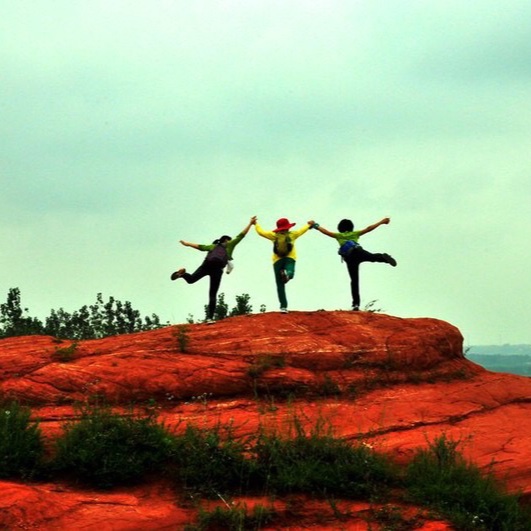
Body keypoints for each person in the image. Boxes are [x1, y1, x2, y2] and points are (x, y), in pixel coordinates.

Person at [170, 216, 257, 323]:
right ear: (226, 240)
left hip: (206, 265)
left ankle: (182, 274)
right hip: (217, 270)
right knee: (212, 294)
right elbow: (241, 235)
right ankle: (210, 318)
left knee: (191, 279)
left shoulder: (213, 246)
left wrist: (187, 244)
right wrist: (250, 224)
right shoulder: (230, 244)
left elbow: (200, 247)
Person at [311, 217, 397, 311]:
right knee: (372, 257)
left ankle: (356, 304)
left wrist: (315, 225)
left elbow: (325, 231)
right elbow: (368, 229)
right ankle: (383, 257)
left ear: (340, 228)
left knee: (354, 281)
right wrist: (381, 222)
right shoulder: (355, 234)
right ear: (351, 227)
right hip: (358, 252)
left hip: (350, 258)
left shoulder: (339, 235)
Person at [255, 217, 313, 313]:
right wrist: (309, 225)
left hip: (277, 260)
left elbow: (261, 232)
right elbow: (301, 230)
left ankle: (283, 307)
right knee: (291, 272)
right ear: (288, 226)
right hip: (290, 258)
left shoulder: (274, 235)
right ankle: (288, 273)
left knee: (280, 284)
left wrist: (255, 223)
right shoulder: (292, 234)